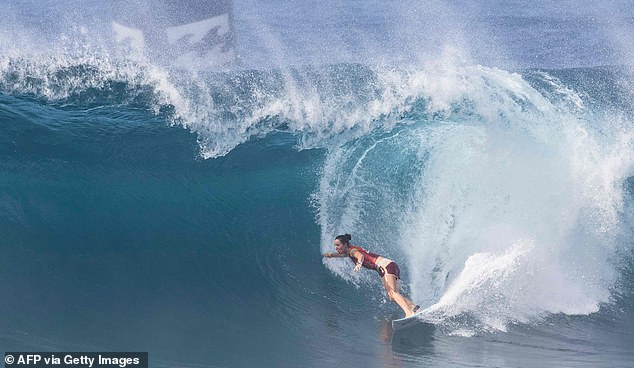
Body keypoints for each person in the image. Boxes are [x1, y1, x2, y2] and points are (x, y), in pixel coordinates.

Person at [322, 233, 420, 317]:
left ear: (345, 244)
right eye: (335, 245)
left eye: (338, 245)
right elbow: (336, 255)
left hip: (385, 267)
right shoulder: (348, 252)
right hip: (387, 266)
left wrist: (359, 263)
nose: (336, 247)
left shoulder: (352, 251)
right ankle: (414, 308)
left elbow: (360, 256)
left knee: (393, 293)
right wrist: (327, 255)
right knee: (392, 296)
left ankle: (408, 312)